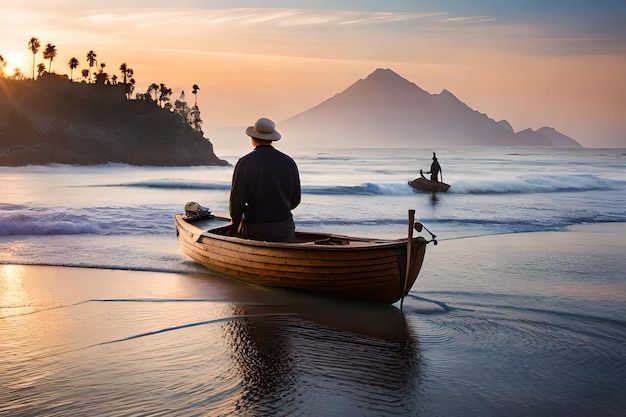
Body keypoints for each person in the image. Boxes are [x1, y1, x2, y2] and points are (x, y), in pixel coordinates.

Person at [229, 117, 301, 242]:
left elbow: (236, 201)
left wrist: (236, 221)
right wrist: (278, 209)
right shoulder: (289, 162)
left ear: (252, 138)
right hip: (284, 227)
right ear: (272, 139)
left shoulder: (245, 163)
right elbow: (295, 199)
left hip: (256, 228)